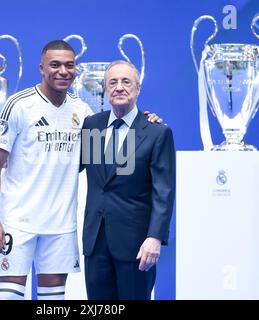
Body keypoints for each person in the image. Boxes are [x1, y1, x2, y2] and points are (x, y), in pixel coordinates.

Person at [0, 40, 160, 300]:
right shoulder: (19, 105)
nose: (62, 71)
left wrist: (145, 124)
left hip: (61, 224)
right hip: (18, 221)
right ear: (41, 67)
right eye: (54, 65)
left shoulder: (83, 112)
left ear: (75, 69)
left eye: (69, 65)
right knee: (9, 297)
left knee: (53, 301)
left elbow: (111, 153)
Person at [80, 60, 175, 300]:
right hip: (95, 243)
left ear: (138, 88)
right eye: (113, 82)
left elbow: (163, 192)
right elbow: (71, 165)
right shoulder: (92, 126)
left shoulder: (156, 132)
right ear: (104, 88)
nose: (119, 87)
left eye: (126, 81)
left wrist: (154, 238)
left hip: (136, 246)